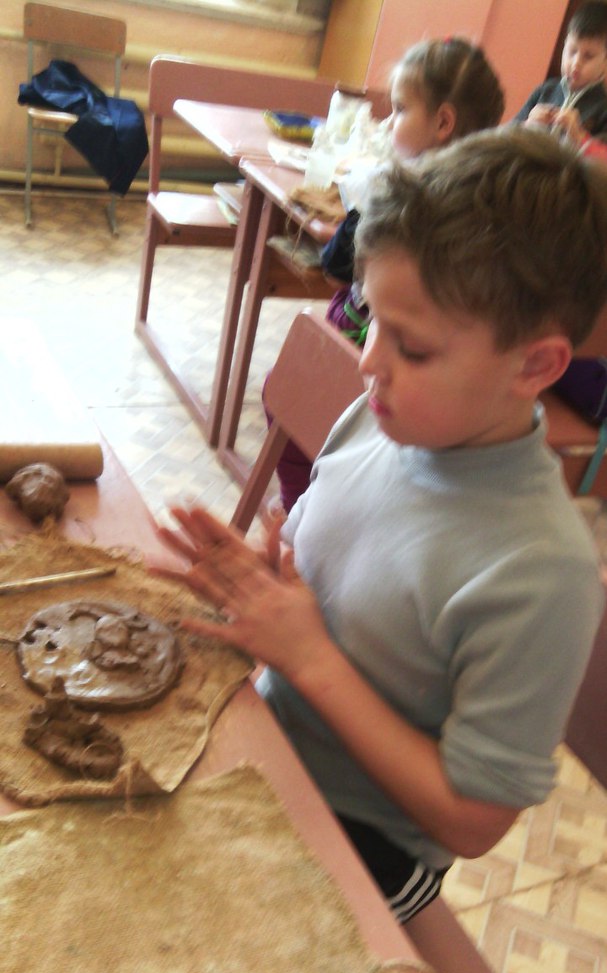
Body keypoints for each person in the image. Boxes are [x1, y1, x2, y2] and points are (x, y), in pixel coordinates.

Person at [155, 126, 607, 924]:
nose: (367, 361)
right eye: (369, 316)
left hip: (367, 847)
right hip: (265, 745)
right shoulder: (377, 418)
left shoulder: (541, 571)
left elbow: (470, 821)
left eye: (414, 348)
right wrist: (267, 580)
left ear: (534, 366)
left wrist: (310, 658)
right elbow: (320, 571)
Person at [271, 36, 505, 513]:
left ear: (442, 122)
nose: (388, 122)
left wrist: (358, 200)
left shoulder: (391, 191)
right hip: (429, 380)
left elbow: (336, 268)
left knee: (284, 401)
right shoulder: (494, 203)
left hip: (362, 347)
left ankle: (299, 512)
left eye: (399, 110)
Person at [515, 0, 607, 150]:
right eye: (572, 51)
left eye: (588, 56)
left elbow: (602, 160)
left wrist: (579, 137)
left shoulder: (603, 109)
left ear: (605, 63)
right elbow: (501, 137)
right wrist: (526, 125)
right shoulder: (545, 90)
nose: (576, 63)